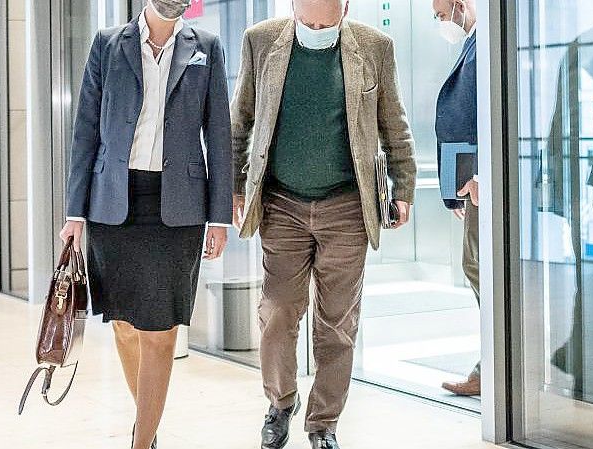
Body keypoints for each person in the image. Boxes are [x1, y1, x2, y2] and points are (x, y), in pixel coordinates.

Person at [230, 0, 417, 447]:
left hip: (347, 206)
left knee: (338, 322)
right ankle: (280, 402)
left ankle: (324, 424)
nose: (316, 29)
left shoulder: (375, 47)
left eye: (326, 22)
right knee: (278, 311)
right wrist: (234, 185)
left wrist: (404, 187)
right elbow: (241, 120)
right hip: (283, 204)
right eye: (308, 21)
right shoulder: (261, 42)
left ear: (346, 8)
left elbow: (395, 124)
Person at [59, 0, 233, 446]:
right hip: (113, 204)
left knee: (160, 329)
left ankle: (142, 440)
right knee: (123, 322)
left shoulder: (206, 48)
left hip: (178, 208)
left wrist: (219, 219)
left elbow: (218, 135)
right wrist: (74, 213)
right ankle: (150, 426)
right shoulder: (107, 44)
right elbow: (85, 130)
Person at [432, 0, 481, 397]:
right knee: (475, 267)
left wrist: (482, 175)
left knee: (481, 269)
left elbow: (491, 116)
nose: (440, 22)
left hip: (483, 185)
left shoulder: (488, 46)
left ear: (460, 6)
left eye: (441, 14)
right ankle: (492, 362)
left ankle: (494, 365)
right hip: (469, 184)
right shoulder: (472, 45)